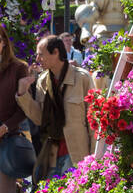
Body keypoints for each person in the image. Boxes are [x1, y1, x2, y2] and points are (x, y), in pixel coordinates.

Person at [17, 35, 95, 183]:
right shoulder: (42, 80)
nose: (38, 59)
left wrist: (94, 157)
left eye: (41, 54)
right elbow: (39, 118)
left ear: (56, 53)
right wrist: (23, 94)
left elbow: (94, 122)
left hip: (77, 154)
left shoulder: (82, 78)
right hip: (51, 153)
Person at [0, 23, 32, 193]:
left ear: (3, 43)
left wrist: (6, 126)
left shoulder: (19, 68)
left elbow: (25, 107)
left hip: (6, 143)